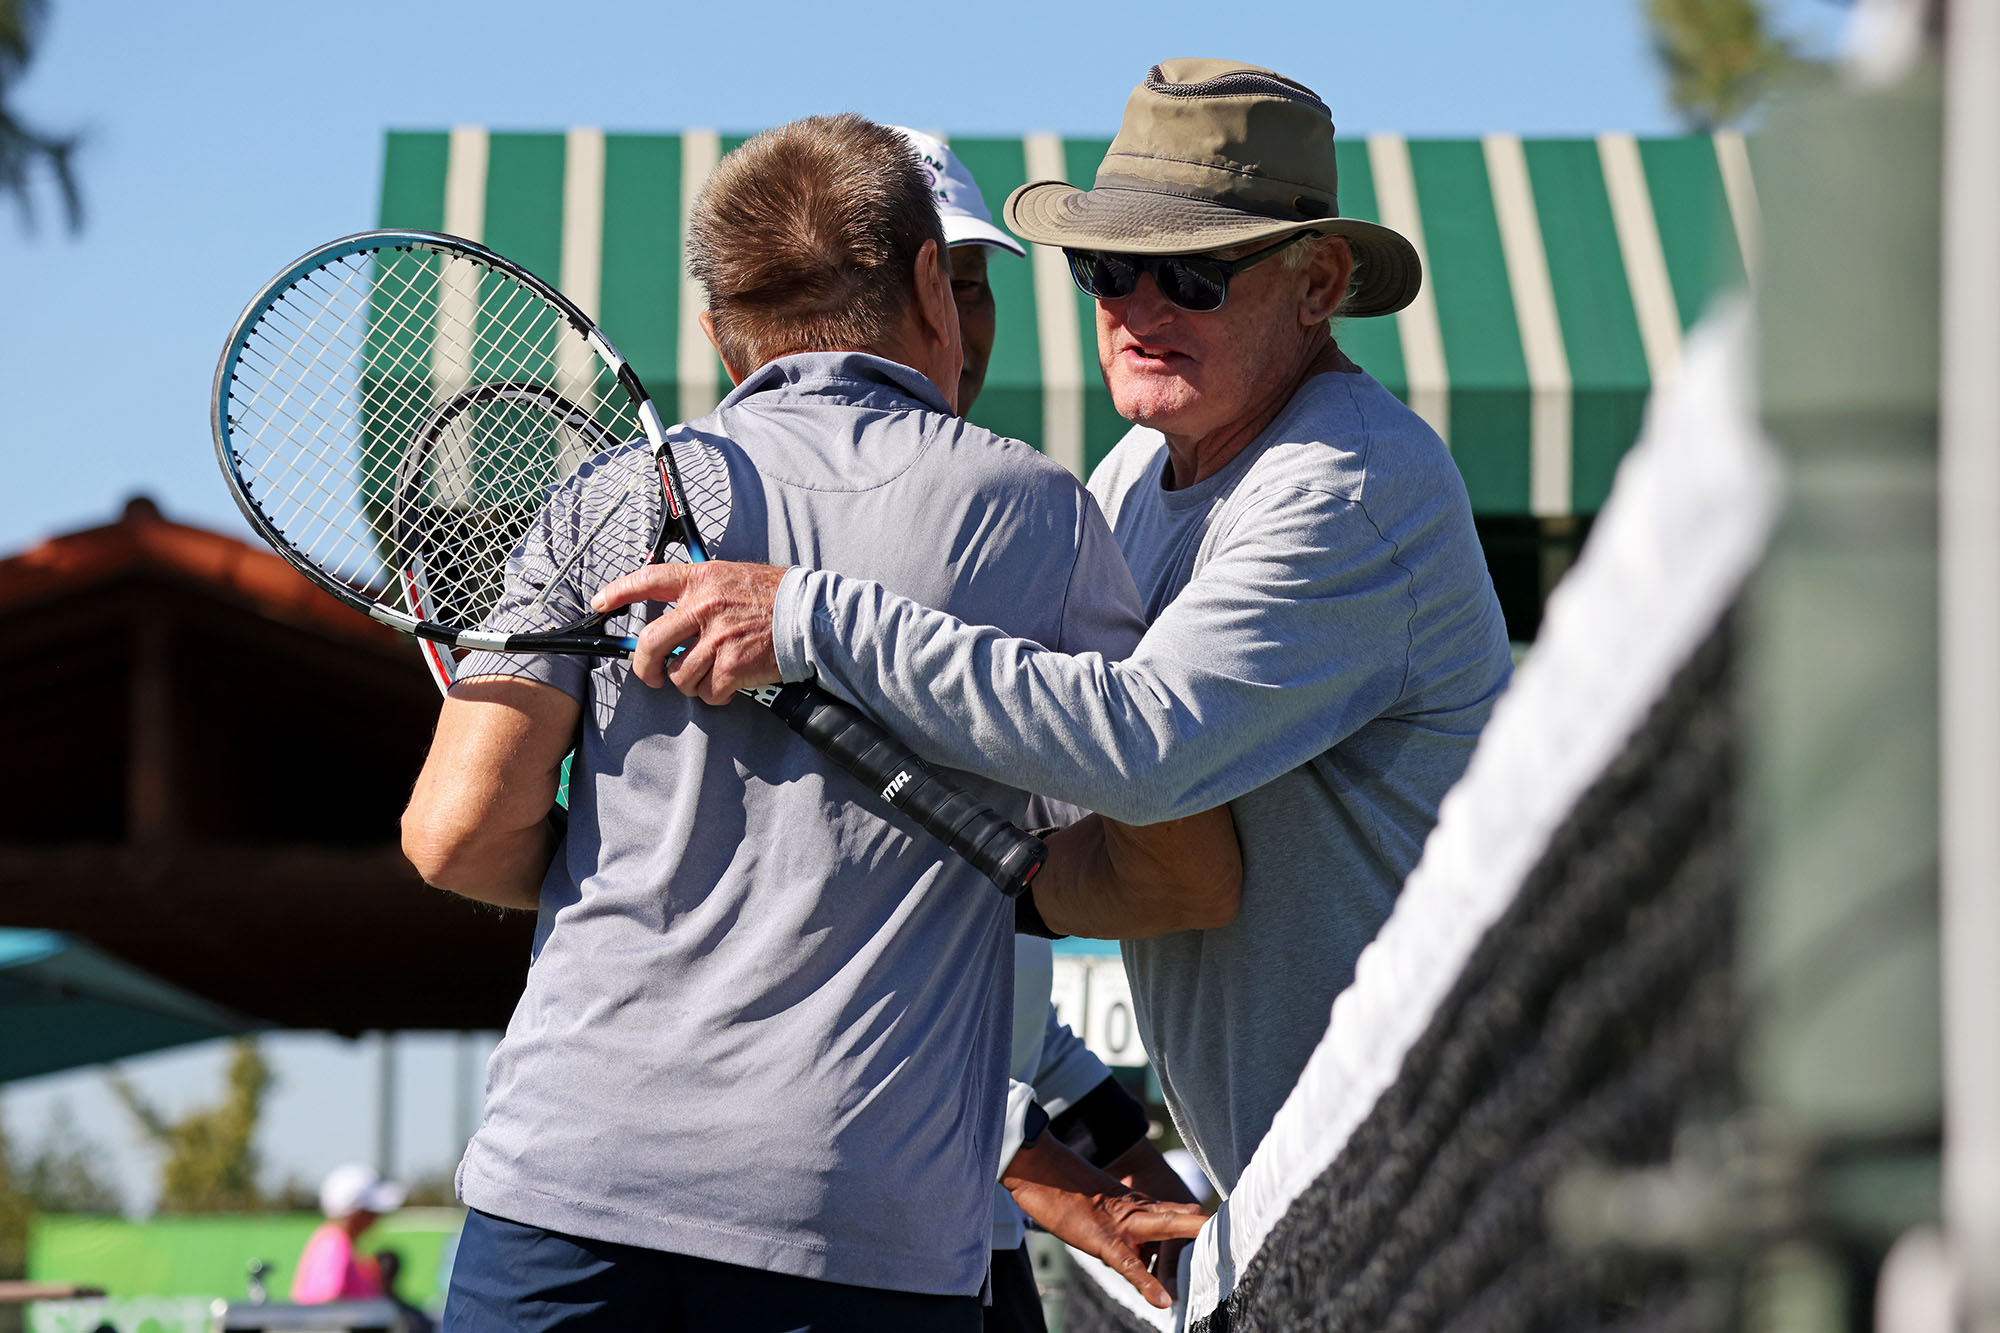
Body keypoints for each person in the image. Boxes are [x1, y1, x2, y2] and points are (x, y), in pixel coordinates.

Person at [594, 60, 1517, 1200]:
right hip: (1320, 1175)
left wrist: (806, 614)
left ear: (1319, 280)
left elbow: (1144, 746)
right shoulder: (1136, 472)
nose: (1136, 308)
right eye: (1106, 268)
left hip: (1436, 1179)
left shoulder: (1346, 484)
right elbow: (1080, 804)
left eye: (1189, 272)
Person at [400, 113, 1223, 1331]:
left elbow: (455, 835)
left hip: (566, 1190)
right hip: (862, 1227)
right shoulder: (1038, 514)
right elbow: (1179, 867)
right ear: (924, 290)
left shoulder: (610, 497)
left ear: (718, 335)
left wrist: (629, 867)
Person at [893, 126, 1196, 1332]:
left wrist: (1111, 1148)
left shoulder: (1037, 524)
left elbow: (1014, 1011)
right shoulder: (789, 560)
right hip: (877, 1249)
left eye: (972, 286)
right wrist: (1044, 1168)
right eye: (925, 286)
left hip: (976, 1235)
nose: (954, 325)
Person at [291, 1162, 405, 1303]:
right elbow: (327, 1301)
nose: (376, 1218)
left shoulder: (336, 1241)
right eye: (372, 1212)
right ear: (357, 1213)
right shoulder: (334, 1241)